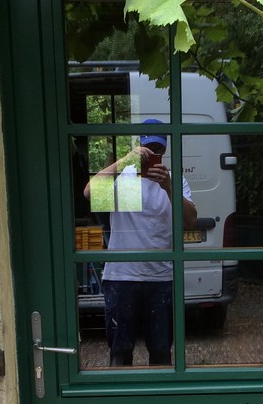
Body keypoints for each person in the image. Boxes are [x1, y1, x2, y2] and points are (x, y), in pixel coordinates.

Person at [84, 122, 197, 366]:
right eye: (147, 149)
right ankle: (121, 401)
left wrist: (168, 187)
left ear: (164, 151)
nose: (151, 155)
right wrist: (125, 161)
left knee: (161, 353)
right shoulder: (124, 179)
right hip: (122, 277)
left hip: (161, 278)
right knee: (120, 352)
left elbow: (190, 220)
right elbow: (88, 193)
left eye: (157, 149)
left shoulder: (174, 181)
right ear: (139, 146)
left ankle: (158, 402)